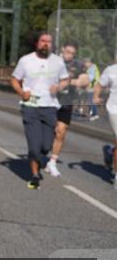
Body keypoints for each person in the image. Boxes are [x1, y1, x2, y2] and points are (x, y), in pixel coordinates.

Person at [10, 32, 69, 189]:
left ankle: (40, 158)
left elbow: (65, 79)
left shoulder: (58, 61)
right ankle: (35, 175)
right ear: (37, 43)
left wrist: (59, 86)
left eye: (49, 42)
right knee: (35, 147)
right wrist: (22, 93)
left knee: (46, 146)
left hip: (50, 107)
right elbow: (15, 79)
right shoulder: (26, 60)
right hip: (30, 106)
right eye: (43, 41)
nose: (46, 44)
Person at [45, 42, 90, 177]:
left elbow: (85, 80)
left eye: (72, 53)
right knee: (48, 132)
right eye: (68, 51)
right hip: (49, 100)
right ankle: (43, 149)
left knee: (61, 131)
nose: (69, 55)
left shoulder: (78, 65)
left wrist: (73, 82)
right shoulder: (52, 60)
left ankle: (52, 162)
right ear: (63, 49)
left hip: (66, 102)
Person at [93, 54, 117, 188]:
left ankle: (110, 152)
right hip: (115, 109)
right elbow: (99, 85)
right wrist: (96, 96)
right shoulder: (111, 70)